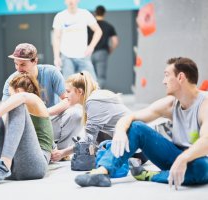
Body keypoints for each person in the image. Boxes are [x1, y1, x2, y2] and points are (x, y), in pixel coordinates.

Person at [75, 57, 208, 189]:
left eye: (167, 75)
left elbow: (206, 141)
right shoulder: (170, 103)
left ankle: (150, 175)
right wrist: (120, 131)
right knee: (136, 127)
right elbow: (131, 117)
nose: (163, 81)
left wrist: (183, 159)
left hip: (199, 159)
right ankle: (102, 172)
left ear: (180, 77)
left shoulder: (204, 104)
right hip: (174, 155)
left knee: (202, 167)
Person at [0, 73, 54, 189]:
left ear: (17, 90)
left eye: (10, 93)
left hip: (34, 166)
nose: (9, 97)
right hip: (12, 167)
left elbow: (21, 98)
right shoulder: (17, 111)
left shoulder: (36, 102)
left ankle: (4, 165)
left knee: (14, 106)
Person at [2, 43, 83, 159]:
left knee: (76, 113)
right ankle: (43, 153)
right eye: (16, 64)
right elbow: (5, 110)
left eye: (23, 64)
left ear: (35, 61)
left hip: (49, 121)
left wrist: (43, 114)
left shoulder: (51, 72)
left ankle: (58, 153)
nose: (18, 69)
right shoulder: (11, 81)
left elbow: (67, 100)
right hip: (26, 125)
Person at [51, 71, 131, 162]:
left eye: (68, 91)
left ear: (80, 91)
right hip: (128, 144)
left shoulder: (93, 102)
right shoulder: (95, 97)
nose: (66, 95)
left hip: (132, 148)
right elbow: (92, 141)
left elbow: (88, 141)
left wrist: (62, 153)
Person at [52, 0, 102, 80]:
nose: (71, 1)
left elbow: (98, 31)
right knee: (68, 86)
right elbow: (56, 37)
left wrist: (91, 46)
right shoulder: (60, 16)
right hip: (66, 56)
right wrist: (56, 57)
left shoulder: (85, 14)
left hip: (83, 56)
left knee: (92, 84)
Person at [88, 5, 119, 89]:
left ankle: (91, 94)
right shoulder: (109, 26)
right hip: (102, 52)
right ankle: (98, 95)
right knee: (101, 77)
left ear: (95, 13)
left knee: (90, 76)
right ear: (104, 14)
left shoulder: (89, 26)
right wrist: (110, 50)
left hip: (89, 52)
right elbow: (115, 42)